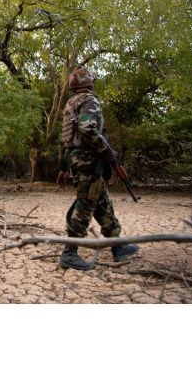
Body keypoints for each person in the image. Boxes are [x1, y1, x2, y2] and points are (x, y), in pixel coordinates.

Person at [57, 67, 139, 270]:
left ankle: (117, 246)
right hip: (88, 159)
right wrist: (106, 152)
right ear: (89, 82)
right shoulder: (89, 100)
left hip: (77, 158)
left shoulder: (70, 103)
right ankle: (70, 252)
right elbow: (88, 128)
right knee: (86, 202)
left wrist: (62, 165)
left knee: (101, 201)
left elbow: (65, 139)